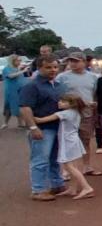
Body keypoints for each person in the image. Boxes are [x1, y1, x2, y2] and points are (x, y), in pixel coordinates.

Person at [18, 55, 67, 200]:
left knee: (55, 158)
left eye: (55, 67)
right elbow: (25, 108)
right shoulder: (32, 86)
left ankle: (57, 184)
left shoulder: (58, 85)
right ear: (39, 68)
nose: (53, 70)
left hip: (57, 127)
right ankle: (38, 189)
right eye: (48, 67)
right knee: (40, 159)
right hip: (42, 128)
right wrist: (33, 128)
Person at [33, 93, 95, 200]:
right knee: (74, 166)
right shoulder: (75, 113)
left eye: (63, 101)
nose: (59, 102)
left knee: (69, 166)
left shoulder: (65, 113)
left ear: (71, 104)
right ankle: (73, 188)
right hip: (73, 140)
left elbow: (41, 120)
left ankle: (87, 188)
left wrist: (29, 115)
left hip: (68, 142)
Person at [56, 51, 102, 177]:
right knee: (67, 142)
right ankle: (67, 169)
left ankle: (87, 166)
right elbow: (58, 96)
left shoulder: (93, 77)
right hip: (69, 115)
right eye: (71, 61)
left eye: (76, 61)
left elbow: (95, 95)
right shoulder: (61, 77)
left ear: (84, 62)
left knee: (85, 141)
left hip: (86, 115)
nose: (73, 63)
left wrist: (95, 108)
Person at [2, 54, 28, 129]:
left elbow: (23, 78)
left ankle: (20, 123)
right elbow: (11, 76)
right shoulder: (6, 68)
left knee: (20, 105)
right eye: (18, 60)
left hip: (20, 90)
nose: (20, 62)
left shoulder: (18, 68)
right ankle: (5, 123)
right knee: (8, 107)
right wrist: (22, 71)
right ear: (13, 61)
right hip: (11, 91)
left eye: (20, 60)